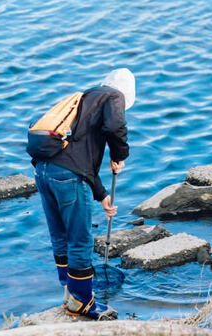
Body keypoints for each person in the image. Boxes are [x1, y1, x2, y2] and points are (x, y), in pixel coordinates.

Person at [31, 68, 135, 319]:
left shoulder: (83, 100)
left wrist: (101, 195)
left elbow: (76, 157)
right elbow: (115, 127)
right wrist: (120, 155)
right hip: (66, 177)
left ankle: (69, 293)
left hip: (43, 170)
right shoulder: (114, 97)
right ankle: (81, 302)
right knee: (81, 240)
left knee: (60, 235)